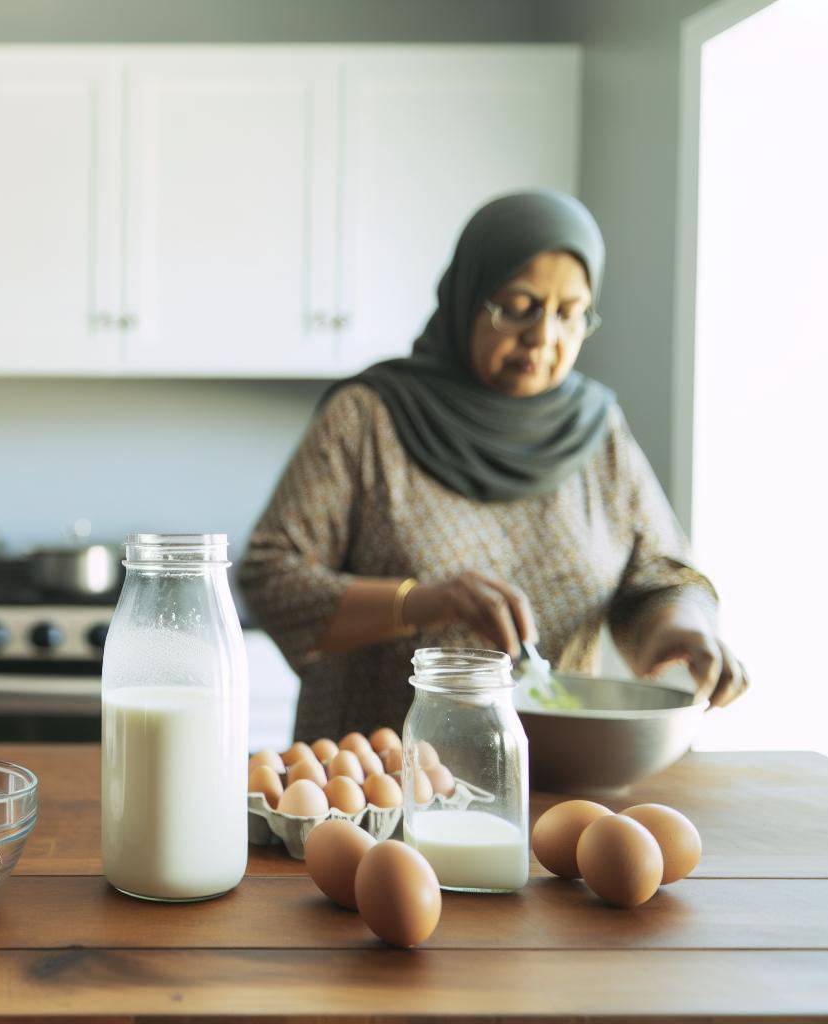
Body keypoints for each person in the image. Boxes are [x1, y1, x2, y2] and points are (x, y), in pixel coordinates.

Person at [238, 190, 748, 742]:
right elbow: (270, 578)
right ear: (467, 297)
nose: (543, 336)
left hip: (553, 773)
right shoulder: (367, 418)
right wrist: (423, 600)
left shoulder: (598, 430)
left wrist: (682, 630)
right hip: (382, 780)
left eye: (569, 314)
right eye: (518, 306)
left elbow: (658, 578)